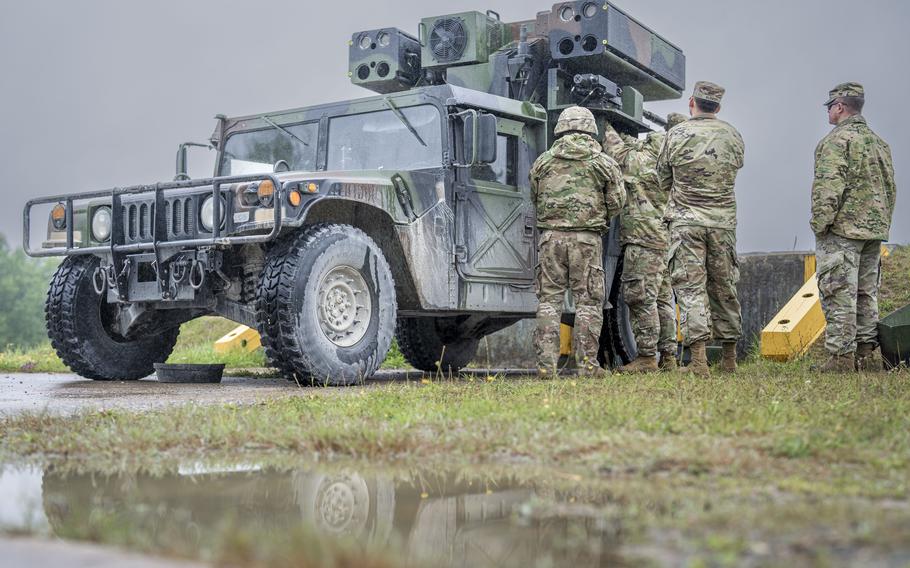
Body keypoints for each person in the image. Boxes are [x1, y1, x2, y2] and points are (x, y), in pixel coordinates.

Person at [657, 81, 745, 377]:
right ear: (717, 107)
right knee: (724, 286)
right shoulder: (733, 135)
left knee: (692, 290)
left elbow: (663, 179)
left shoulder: (676, 134)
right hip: (722, 223)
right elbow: (735, 169)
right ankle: (730, 359)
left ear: (691, 102)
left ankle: (698, 361)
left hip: (686, 223)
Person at [530, 106, 625, 375]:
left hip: (550, 239)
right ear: (590, 129)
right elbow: (617, 202)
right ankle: (587, 366)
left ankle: (546, 368)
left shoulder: (543, 161)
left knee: (549, 301)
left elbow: (535, 198)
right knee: (588, 302)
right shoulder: (603, 162)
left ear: (561, 128)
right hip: (587, 240)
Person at [812, 82, 896, 372]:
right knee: (865, 292)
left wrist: (820, 224)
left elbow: (828, 188)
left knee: (838, 291)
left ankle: (841, 358)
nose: (829, 113)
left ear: (839, 106)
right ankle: (864, 352)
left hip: (843, 230)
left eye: (830, 107)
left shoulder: (836, 141)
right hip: (874, 229)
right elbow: (890, 187)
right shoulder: (879, 143)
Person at [602, 113, 687, 373]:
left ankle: (647, 358)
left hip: (643, 238)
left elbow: (618, 153)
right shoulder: (677, 161)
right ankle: (669, 358)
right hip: (665, 240)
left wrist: (604, 123)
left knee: (640, 298)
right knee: (662, 299)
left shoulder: (647, 160)